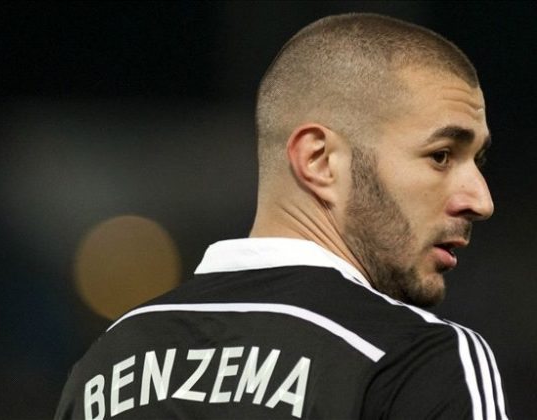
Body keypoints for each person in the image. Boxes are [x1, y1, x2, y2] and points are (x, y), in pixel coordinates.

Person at [55, 13, 509, 419]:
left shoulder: (104, 366)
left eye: (477, 161)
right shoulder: (415, 358)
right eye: (441, 155)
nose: (481, 200)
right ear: (319, 161)